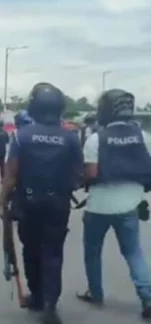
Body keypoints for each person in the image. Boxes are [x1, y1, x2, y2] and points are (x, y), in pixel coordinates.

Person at [0, 83, 82, 324]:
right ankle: (50, 304)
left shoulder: (22, 136)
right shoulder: (70, 137)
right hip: (58, 204)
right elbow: (79, 175)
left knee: (30, 249)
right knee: (53, 253)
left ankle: (36, 296)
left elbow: (11, 174)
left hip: (28, 202)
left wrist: (1, 203)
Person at [75, 89, 151, 320]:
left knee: (92, 251)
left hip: (99, 206)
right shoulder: (144, 136)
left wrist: (80, 180)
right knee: (133, 252)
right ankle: (147, 297)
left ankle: (96, 293)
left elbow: (92, 172)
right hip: (130, 204)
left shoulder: (96, 138)